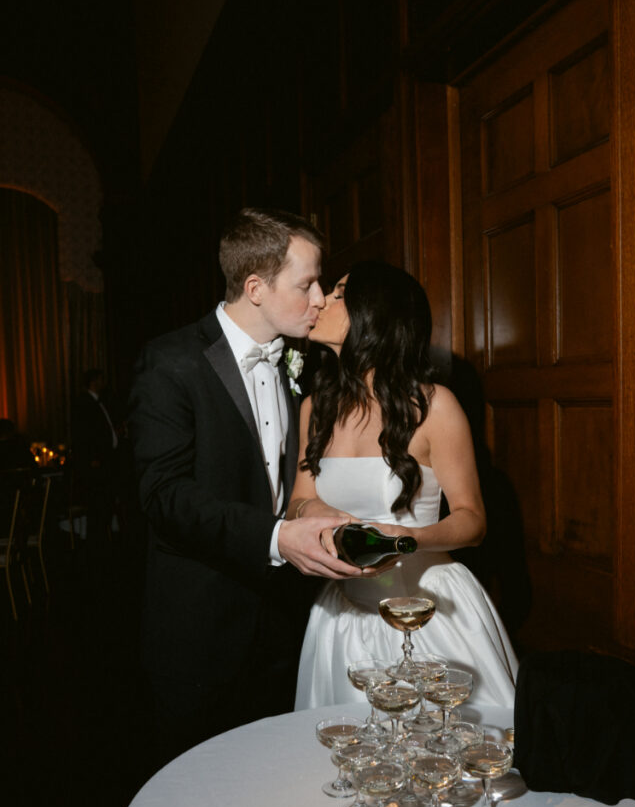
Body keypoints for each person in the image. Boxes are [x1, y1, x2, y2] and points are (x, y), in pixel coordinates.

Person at [128, 207, 361, 766]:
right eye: (307, 283)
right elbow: (163, 495)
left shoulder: (300, 359)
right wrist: (277, 538)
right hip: (200, 626)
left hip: (283, 624)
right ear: (255, 287)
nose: (321, 298)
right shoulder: (171, 362)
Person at [289, 261, 519, 710]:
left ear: (373, 314)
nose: (322, 301)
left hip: (427, 610)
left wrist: (410, 539)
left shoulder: (435, 406)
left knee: (443, 755)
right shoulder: (315, 407)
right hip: (342, 615)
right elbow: (300, 500)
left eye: (338, 294)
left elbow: (472, 521)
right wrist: (323, 520)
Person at [70, 368, 119, 553]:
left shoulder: (99, 402)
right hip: (96, 464)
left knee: (105, 503)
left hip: (105, 461)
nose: (103, 383)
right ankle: (96, 545)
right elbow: (83, 434)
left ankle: (101, 542)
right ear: (93, 381)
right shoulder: (84, 403)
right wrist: (93, 458)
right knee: (98, 504)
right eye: (100, 379)